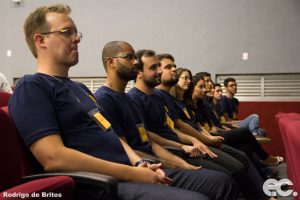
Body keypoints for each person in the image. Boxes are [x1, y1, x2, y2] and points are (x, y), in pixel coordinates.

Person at [8, 4, 210, 200]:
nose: (77, 38)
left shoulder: (80, 89)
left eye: (76, 33)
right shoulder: (32, 86)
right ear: (41, 40)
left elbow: (112, 135)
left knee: (218, 182)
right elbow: (54, 158)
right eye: (67, 32)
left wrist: (138, 162)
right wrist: (134, 173)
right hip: (99, 185)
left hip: (128, 172)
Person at [94, 41, 236, 200]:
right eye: (129, 57)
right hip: (145, 167)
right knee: (222, 182)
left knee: (224, 179)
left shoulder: (127, 99)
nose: (135, 62)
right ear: (111, 62)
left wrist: (181, 163)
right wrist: (173, 163)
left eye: (135, 58)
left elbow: (148, 140)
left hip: (160, 159)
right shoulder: (105, 99)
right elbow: (124, 150)